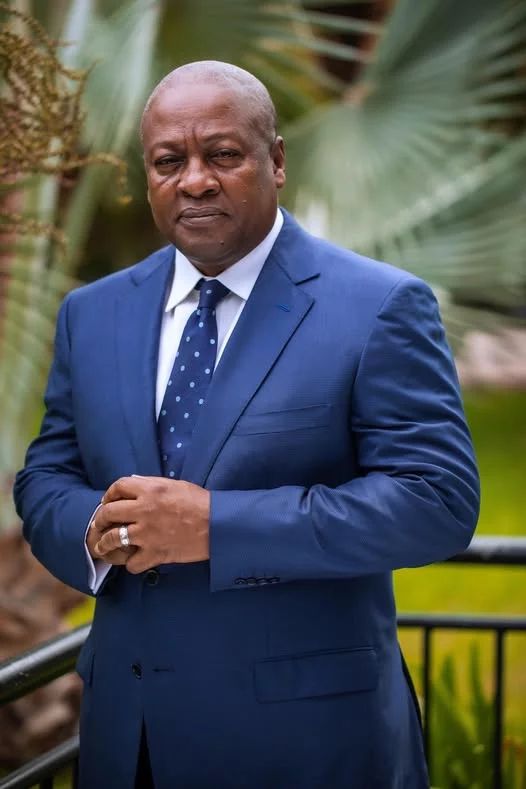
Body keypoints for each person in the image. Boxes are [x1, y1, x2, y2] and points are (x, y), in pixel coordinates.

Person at [14, 61, 479, 789]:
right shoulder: (92, 312)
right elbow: (47, 473)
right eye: (169, 161)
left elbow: (437, 501)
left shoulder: (379, 306)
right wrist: (95, 526)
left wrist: (216, 527)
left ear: (277, 161)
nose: (195, 181)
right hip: (128, 740)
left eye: (222, 154)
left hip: (307, 746)